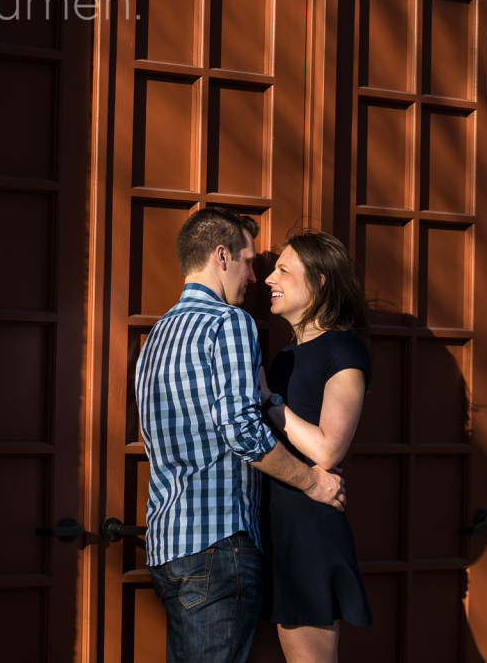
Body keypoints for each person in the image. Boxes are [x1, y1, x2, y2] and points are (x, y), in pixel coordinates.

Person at [134, 207, 346, 663]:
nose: (255, 277)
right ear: (221, 255)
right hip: (217, 548)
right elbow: (241, 432)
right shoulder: (228, 322)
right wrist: (313, 481)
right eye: (250, 262)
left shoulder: (157, 335)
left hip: (168, 546)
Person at [258, 230, 373, 663]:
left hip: (307, 531)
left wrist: (269, 400)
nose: (270, 278)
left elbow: (327, 450)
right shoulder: (285, 356)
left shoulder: (343, 348)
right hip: (276, 526)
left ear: (321, 280)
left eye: (284, 270)